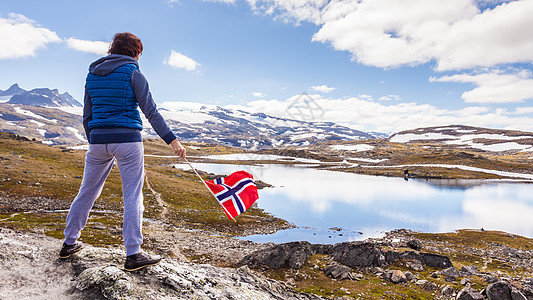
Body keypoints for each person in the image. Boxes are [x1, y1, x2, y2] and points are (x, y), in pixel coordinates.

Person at [60, 32, 186, 271]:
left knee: (87, 191)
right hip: (128, 141)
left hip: (98, 141)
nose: (140, 57)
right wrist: (173, 142)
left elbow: (87, 114)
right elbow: (151, 112)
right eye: (140, 52)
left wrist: (94, 140)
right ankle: (133, 254)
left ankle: (69, 243)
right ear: (134, 52)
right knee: (132, 195)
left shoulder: (92, 74)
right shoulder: (133, 73)